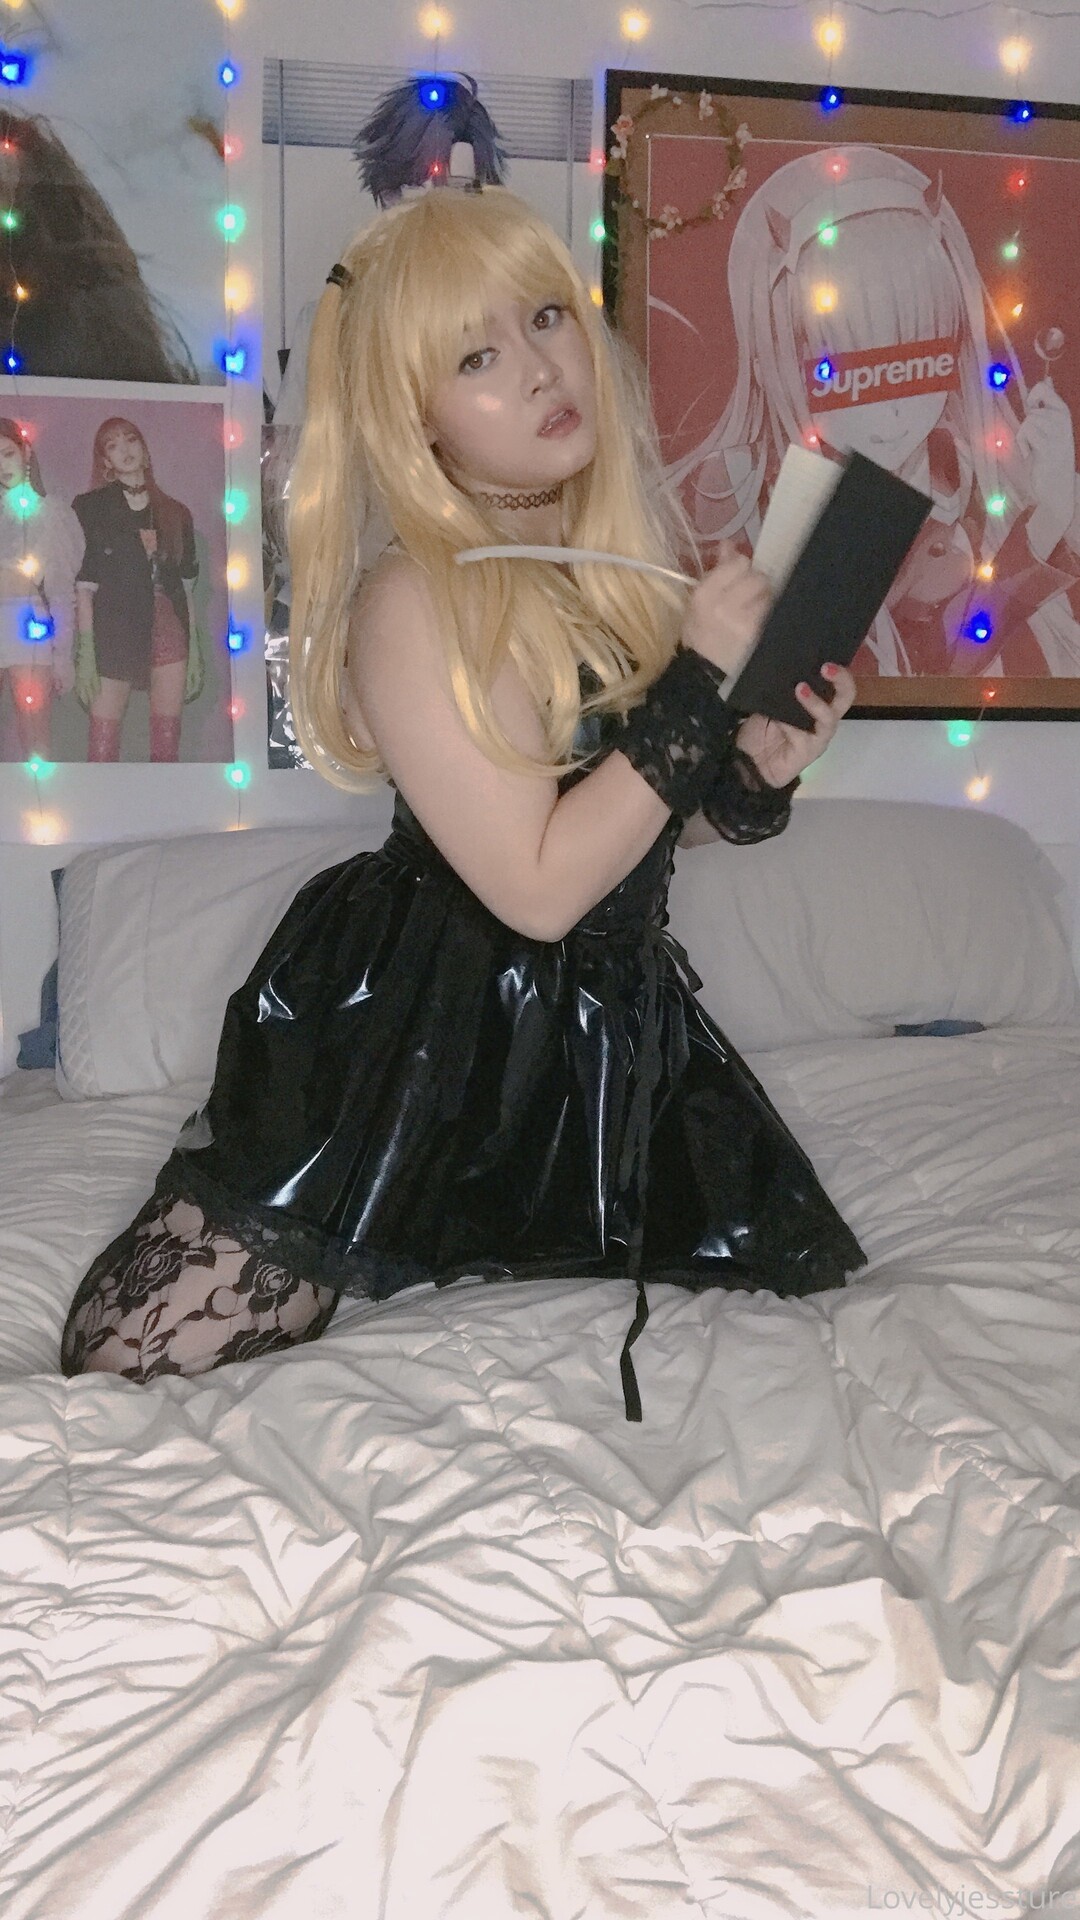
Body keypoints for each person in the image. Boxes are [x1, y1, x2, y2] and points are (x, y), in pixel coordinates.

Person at [60, 184, 864, 1423]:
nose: (542, 368)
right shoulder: (413, 599)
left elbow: (628, 830)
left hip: (596, 1041)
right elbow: (537, 889)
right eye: (476, 358)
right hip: (416, 1026)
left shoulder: (614, 575)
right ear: (417, 419)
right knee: (128, 1354)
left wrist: (754, 767)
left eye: (546, 318)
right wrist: (699, 687)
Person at [666, 145, 1080, 679]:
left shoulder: (957, 473)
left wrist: (1049, 512)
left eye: (922, 364)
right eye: (847, 373)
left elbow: (954, 656)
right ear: (777, 357)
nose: (894, 415)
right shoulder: (736, 488)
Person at [72, 418, 205, 762]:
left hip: (168, 629)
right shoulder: (90, 508)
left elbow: (186, 587)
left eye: (131, 440)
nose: (125, 450)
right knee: (102, 746)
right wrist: (86, 650)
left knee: (166, 745)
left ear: (145, 449)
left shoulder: (175, 512)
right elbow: (84, 586)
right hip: (115, 630)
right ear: (105, 460)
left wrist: (195, 647)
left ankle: (163, 799)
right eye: (113, 445)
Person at [0, 418, 82, 760]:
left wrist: (63, 656)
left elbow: (61, 591)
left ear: (26, 453)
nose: (2, 465)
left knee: (34, 736)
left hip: (26, 623)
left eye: (7, 454)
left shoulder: (51, 514)